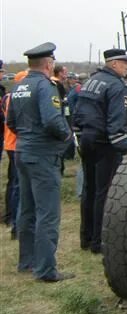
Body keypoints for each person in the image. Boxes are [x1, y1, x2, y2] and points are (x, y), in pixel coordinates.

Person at [5, 43, 73, 282]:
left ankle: (27, 261)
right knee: (48, 213)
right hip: (43, 155)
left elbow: (11, 121)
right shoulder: (45, 87)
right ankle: (45, 269)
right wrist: (67, 135)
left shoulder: (20, 86)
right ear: (48, 64)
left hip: (23, 152)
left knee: (27, 209)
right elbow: (53, 121)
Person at [73, 48, 127, 254]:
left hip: (87, 140)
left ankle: (86, 237)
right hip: (104, 143)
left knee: (89, 188)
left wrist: (80, 134)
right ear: (114, 63)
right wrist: (125, 148)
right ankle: (99, 241)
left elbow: (78, 112)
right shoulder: (116, 86)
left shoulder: (92, 80)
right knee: (104, 192)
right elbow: (116, 120)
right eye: (124, 63)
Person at [2, 70, 27, 239]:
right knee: (19, 186)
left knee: (14, 183)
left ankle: (11, 218)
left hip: (11, 143)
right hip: (17, 143)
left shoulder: (9, 97)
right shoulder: (17, 98)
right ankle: (15, 223)